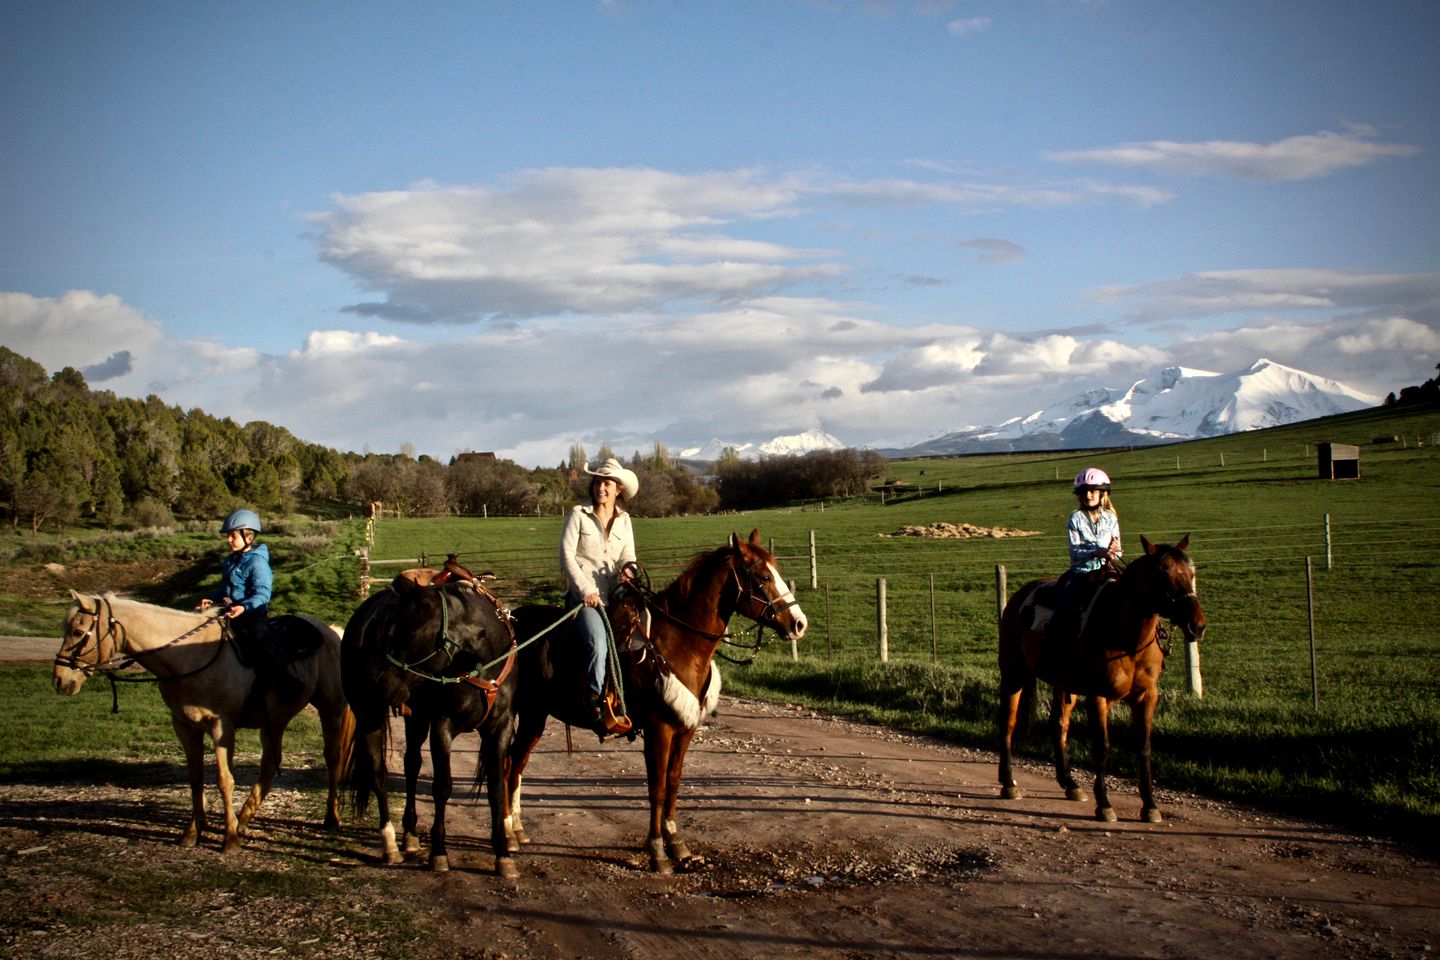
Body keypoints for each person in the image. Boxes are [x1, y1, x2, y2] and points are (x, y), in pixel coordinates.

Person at [559, 459, 639, 734]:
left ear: (618, 490)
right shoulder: (578, 514)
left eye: (607, 483)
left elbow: (628, 554)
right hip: (584, 597)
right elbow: (566, 555)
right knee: (597, 642)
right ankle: (595, 702)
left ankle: (631, 698)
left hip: (615, 594)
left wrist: (628, 569)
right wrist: (585, 590)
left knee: (639, 637)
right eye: (597, 482)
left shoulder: (624, 520)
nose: (601, 488)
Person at [198, 508, 296, 701]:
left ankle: (287, 682)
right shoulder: (230, 560)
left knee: (261, 640)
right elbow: (225, 590)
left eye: (233, 536)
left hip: (251, 615)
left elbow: (262, 593)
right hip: (229, 611)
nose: (228, 540)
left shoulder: (258, 563)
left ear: (249, 537)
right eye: (228, 536)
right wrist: (212, 599)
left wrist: (244, 607)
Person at [1049, 468, 1123, 643]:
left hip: (1107, 571)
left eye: (1092, 491)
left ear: (1103, 494)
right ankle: (1055, 645)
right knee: (1065, 607)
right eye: (1083, 492)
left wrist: (1114, 552)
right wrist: (1095, 552)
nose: (1088, 495)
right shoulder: (1075, 518)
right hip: (1081, 573)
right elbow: (1074, 551)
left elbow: (1119, 551)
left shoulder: (1111, 519)